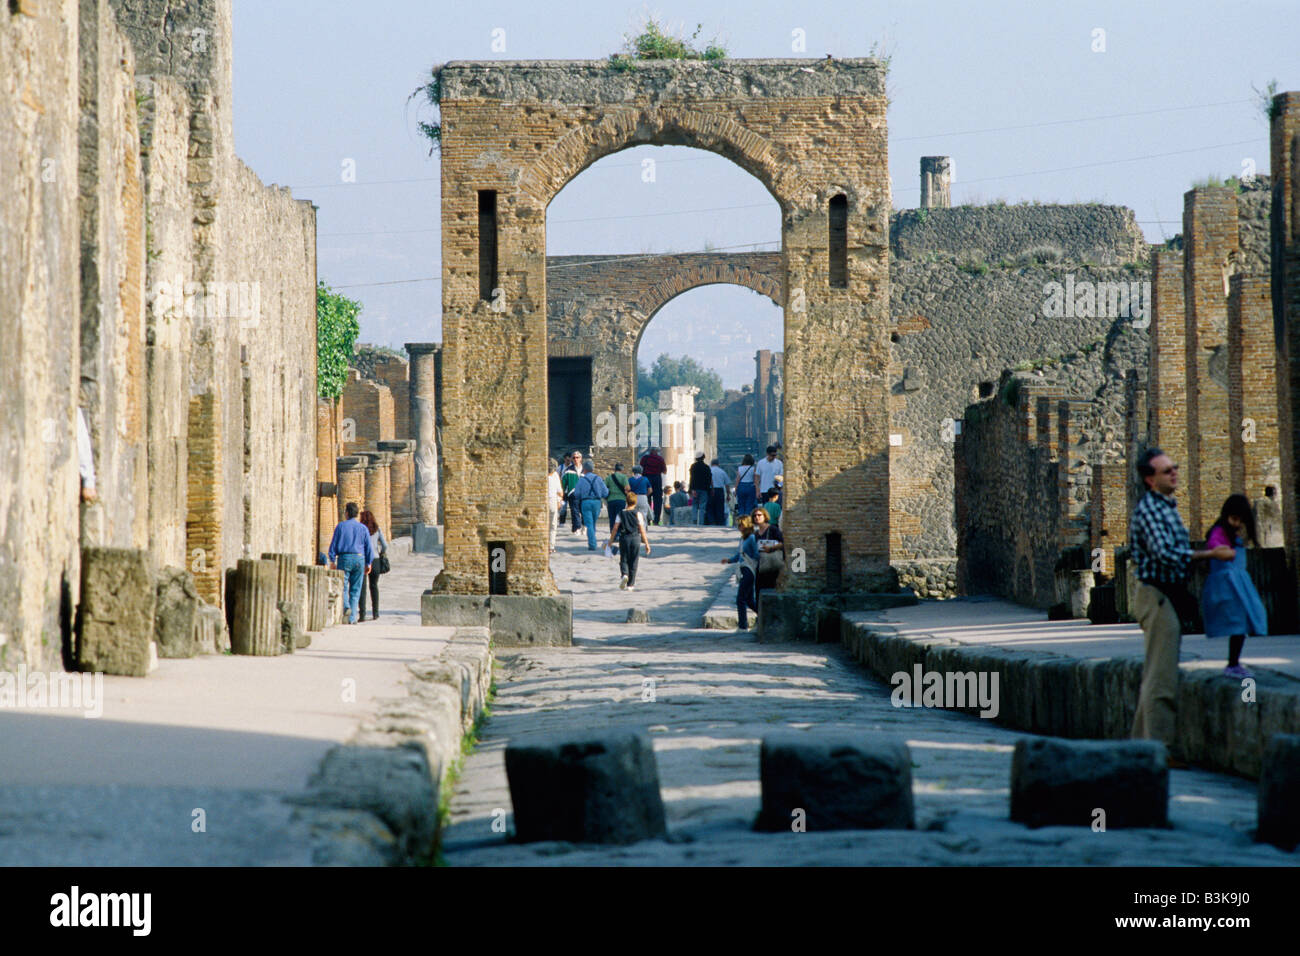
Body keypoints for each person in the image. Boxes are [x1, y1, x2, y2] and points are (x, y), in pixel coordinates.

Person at [1128, 448, 1234, 765]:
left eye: (1175, 468)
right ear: (1150, 479)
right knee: (1161, 676)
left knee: (1154, 672)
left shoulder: (1166, 507)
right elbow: (1166, 554)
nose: (1174, 473)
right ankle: (1159, 747)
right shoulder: (1150, 510)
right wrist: (1210, 556)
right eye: (1166, 471)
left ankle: (1140, 746)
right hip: (1155, 595)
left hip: (1164, 594)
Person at [1202, 494, 1268, 677]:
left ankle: (1234, 662)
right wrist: (1222, 551)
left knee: (1244, 621)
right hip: (1227, 586)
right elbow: (1214, 545)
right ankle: (1232, 664)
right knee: (1237, 623)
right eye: (1234, 519)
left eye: (1240, 520)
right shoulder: (1219, 532)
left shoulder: (1233, 533)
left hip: (1237, 584)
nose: (1237, 524)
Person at [328, 501, 374, 625]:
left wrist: (332, 560)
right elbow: (369, 547)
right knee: (356, 589)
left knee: (343, 586)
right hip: (359, 559)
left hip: (344, 557)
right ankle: (352, 617)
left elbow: (333, 545)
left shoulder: (341, 526)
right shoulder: (363, 528)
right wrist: (369, 562)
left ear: (347, 513)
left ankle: (346, 606)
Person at [720, 515, 760, 630]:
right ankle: (764, 616)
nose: (739, 527)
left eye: (741, 524)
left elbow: (756, 554)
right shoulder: (742, 539)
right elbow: (739, 555)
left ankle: (743, 625)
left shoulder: (752, 538)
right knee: (749, 600)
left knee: (740, 599)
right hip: (743, 568)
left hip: (749, 570)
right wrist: (729, 560)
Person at [607, 492, 652, 591]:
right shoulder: (638, 514)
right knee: (634, 561)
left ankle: (624, 574)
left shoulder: (621, 513)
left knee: (624, 559)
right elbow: (641, 529)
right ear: (635, 502)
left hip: (624, 538)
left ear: (626, 501)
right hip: (636, 538)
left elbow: (615, 528)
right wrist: (647, 544)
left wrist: (611, 540)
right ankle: (630, 585)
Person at [357, 509, 388, 621]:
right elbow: (385, 545)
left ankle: (362, 614)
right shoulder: (377, 529)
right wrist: (381, 553)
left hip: (363, 559)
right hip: (375, 560)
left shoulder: (360, 529)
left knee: (362, 587)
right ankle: (376, 613)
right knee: (374, 586)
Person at [751, 505, 785, 607]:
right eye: (755, 516)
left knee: (771, 587)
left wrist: (771, 548)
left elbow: (783, 543)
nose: (757, 517)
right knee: (758, 589)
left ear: (765, 516)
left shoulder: (773, 529)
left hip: (772, 563)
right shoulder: (756, 533)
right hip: (760, 564)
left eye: (759, 515)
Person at [576, 459, 608, 551]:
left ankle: (592, 544)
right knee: (593, 523)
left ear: (584, 469)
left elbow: (577, 494)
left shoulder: (582, 480)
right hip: (597, 502)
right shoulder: (598, 478)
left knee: (589, 524)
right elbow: (605, 492)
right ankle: (592, 540)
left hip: (586, 502)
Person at [639, 446, 668, 524]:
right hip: (657, 479)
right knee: (657, 501)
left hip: (646, 479)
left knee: (646, 500)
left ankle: (647, 519)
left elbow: (640, 469)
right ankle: (656, 520)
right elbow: (664, 471)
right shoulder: (660, 459)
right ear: (656, 451)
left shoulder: (644, 458)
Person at [605, 462, 631, 535]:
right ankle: (619, 534)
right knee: (619, 518)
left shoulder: (609, 477)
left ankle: (613, 534)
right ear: (622, 469)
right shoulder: (623, 477)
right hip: (621, 500)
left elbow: (604, 487)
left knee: (612, 518)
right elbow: (627, 488)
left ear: (615, 469)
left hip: (611, 500)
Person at [562, 451, 584, 533]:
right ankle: (577, 528)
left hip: (583, 494)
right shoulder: (568, 470)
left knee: (584, 511)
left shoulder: (585, 470)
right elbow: (563, 483)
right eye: (574, 457)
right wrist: (563, 495)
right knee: (575, 512)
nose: (575, 459)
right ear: (571, 459)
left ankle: (584, 526)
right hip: (573, 494)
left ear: (580, 459)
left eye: (577, 457)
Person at [689, 452, 712, 525]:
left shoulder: (693, 466)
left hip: (695, 489)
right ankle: (701, 522)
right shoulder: (706, 467)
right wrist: (710, 489)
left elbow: (691, 478)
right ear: (703, 458)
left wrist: (691, 489)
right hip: (704, 490)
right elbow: (709, 479)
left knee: (695, 505)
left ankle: (694, 520)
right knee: (702, 506)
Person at [547, 457, 563, 554]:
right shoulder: (556, 475)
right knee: (553, 526)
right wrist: (559, 501)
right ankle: (551, 546)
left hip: (542, 501)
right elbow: (560, 492)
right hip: (552, 500)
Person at [734, 453, 757, 521]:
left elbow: (737, 480)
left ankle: (741, 520)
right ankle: (747, 520)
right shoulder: (753, 469)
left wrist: (735, 490)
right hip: (750, 486)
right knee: (749, 505)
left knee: (741, 505)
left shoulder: (740, 468)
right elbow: (755, 480)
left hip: (741, 486)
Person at [709, 458, 729, 526]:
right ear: (718, 464)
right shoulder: (722, 472)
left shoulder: (709, 471)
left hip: (711, 490)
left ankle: (712, 521)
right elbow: (727, 484)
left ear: (711, 464)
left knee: (710, 507)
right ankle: (720, 522)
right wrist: (728, 494)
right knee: (720, 507)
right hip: (720, 491)